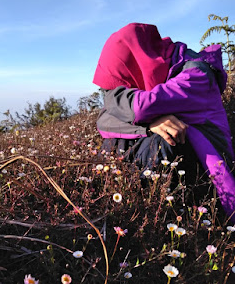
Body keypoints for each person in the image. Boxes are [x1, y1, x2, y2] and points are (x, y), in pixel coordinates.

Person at [93, 23, 235, 221]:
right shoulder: (167, 72)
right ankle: (128, 208)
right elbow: (103, 120)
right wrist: (149, 124)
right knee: (116, 142)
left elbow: (141, 107)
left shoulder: (196, 73)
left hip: (213, 178)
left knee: (160, 142)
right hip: (188, 162)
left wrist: (121, 105)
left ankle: (166, 218)